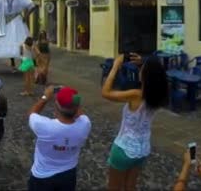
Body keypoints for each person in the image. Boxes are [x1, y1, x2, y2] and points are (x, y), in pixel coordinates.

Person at [102, 54, 169, 191]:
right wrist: (143, 60)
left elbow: (106, 92)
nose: (139, 70)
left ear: (145, 75)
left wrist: (115, 66)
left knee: (113, 187)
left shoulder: (136, 95)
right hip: (142, 149)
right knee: (130, 186)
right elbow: (155, 72)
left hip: (123, 148)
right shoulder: (158, 95)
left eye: (142, 68)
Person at [28, 86, 91, 190]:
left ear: (56, 106)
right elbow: (78, 111)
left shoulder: (44, 126)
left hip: (42, 176)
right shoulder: (85, 125)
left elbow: (32, 113)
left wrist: (45, 97)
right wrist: (70, 97)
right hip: (68, 174)